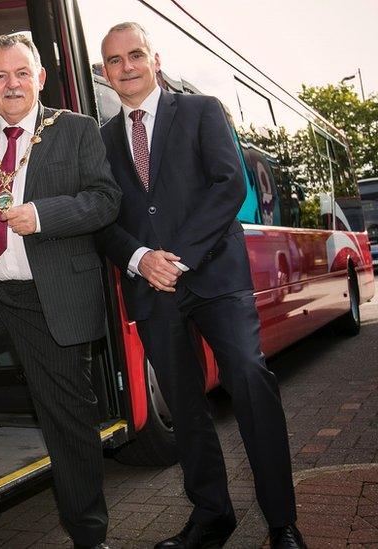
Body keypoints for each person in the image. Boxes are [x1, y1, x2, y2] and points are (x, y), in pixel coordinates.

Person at [96, 22, 305, 549]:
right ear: (105, 72)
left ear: (154, 59)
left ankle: (282, 522)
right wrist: (142, 260)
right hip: (151, 288)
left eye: (135, 54)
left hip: (214, 275)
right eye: (115, 60)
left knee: (250, 378)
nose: (127, 67)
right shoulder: (99, 140)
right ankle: (212, 516)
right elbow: (102, 216)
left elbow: (229, 184)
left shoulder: (201, 110)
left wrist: (177, 258)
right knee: (185, 406)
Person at [0, 34, 120, 549]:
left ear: (39, 79)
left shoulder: (77, 131)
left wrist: (44, 215)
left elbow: (105, 200)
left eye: (21, 73)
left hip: (46, 295)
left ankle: (89, 535)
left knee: (67, 418)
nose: (11, 84)